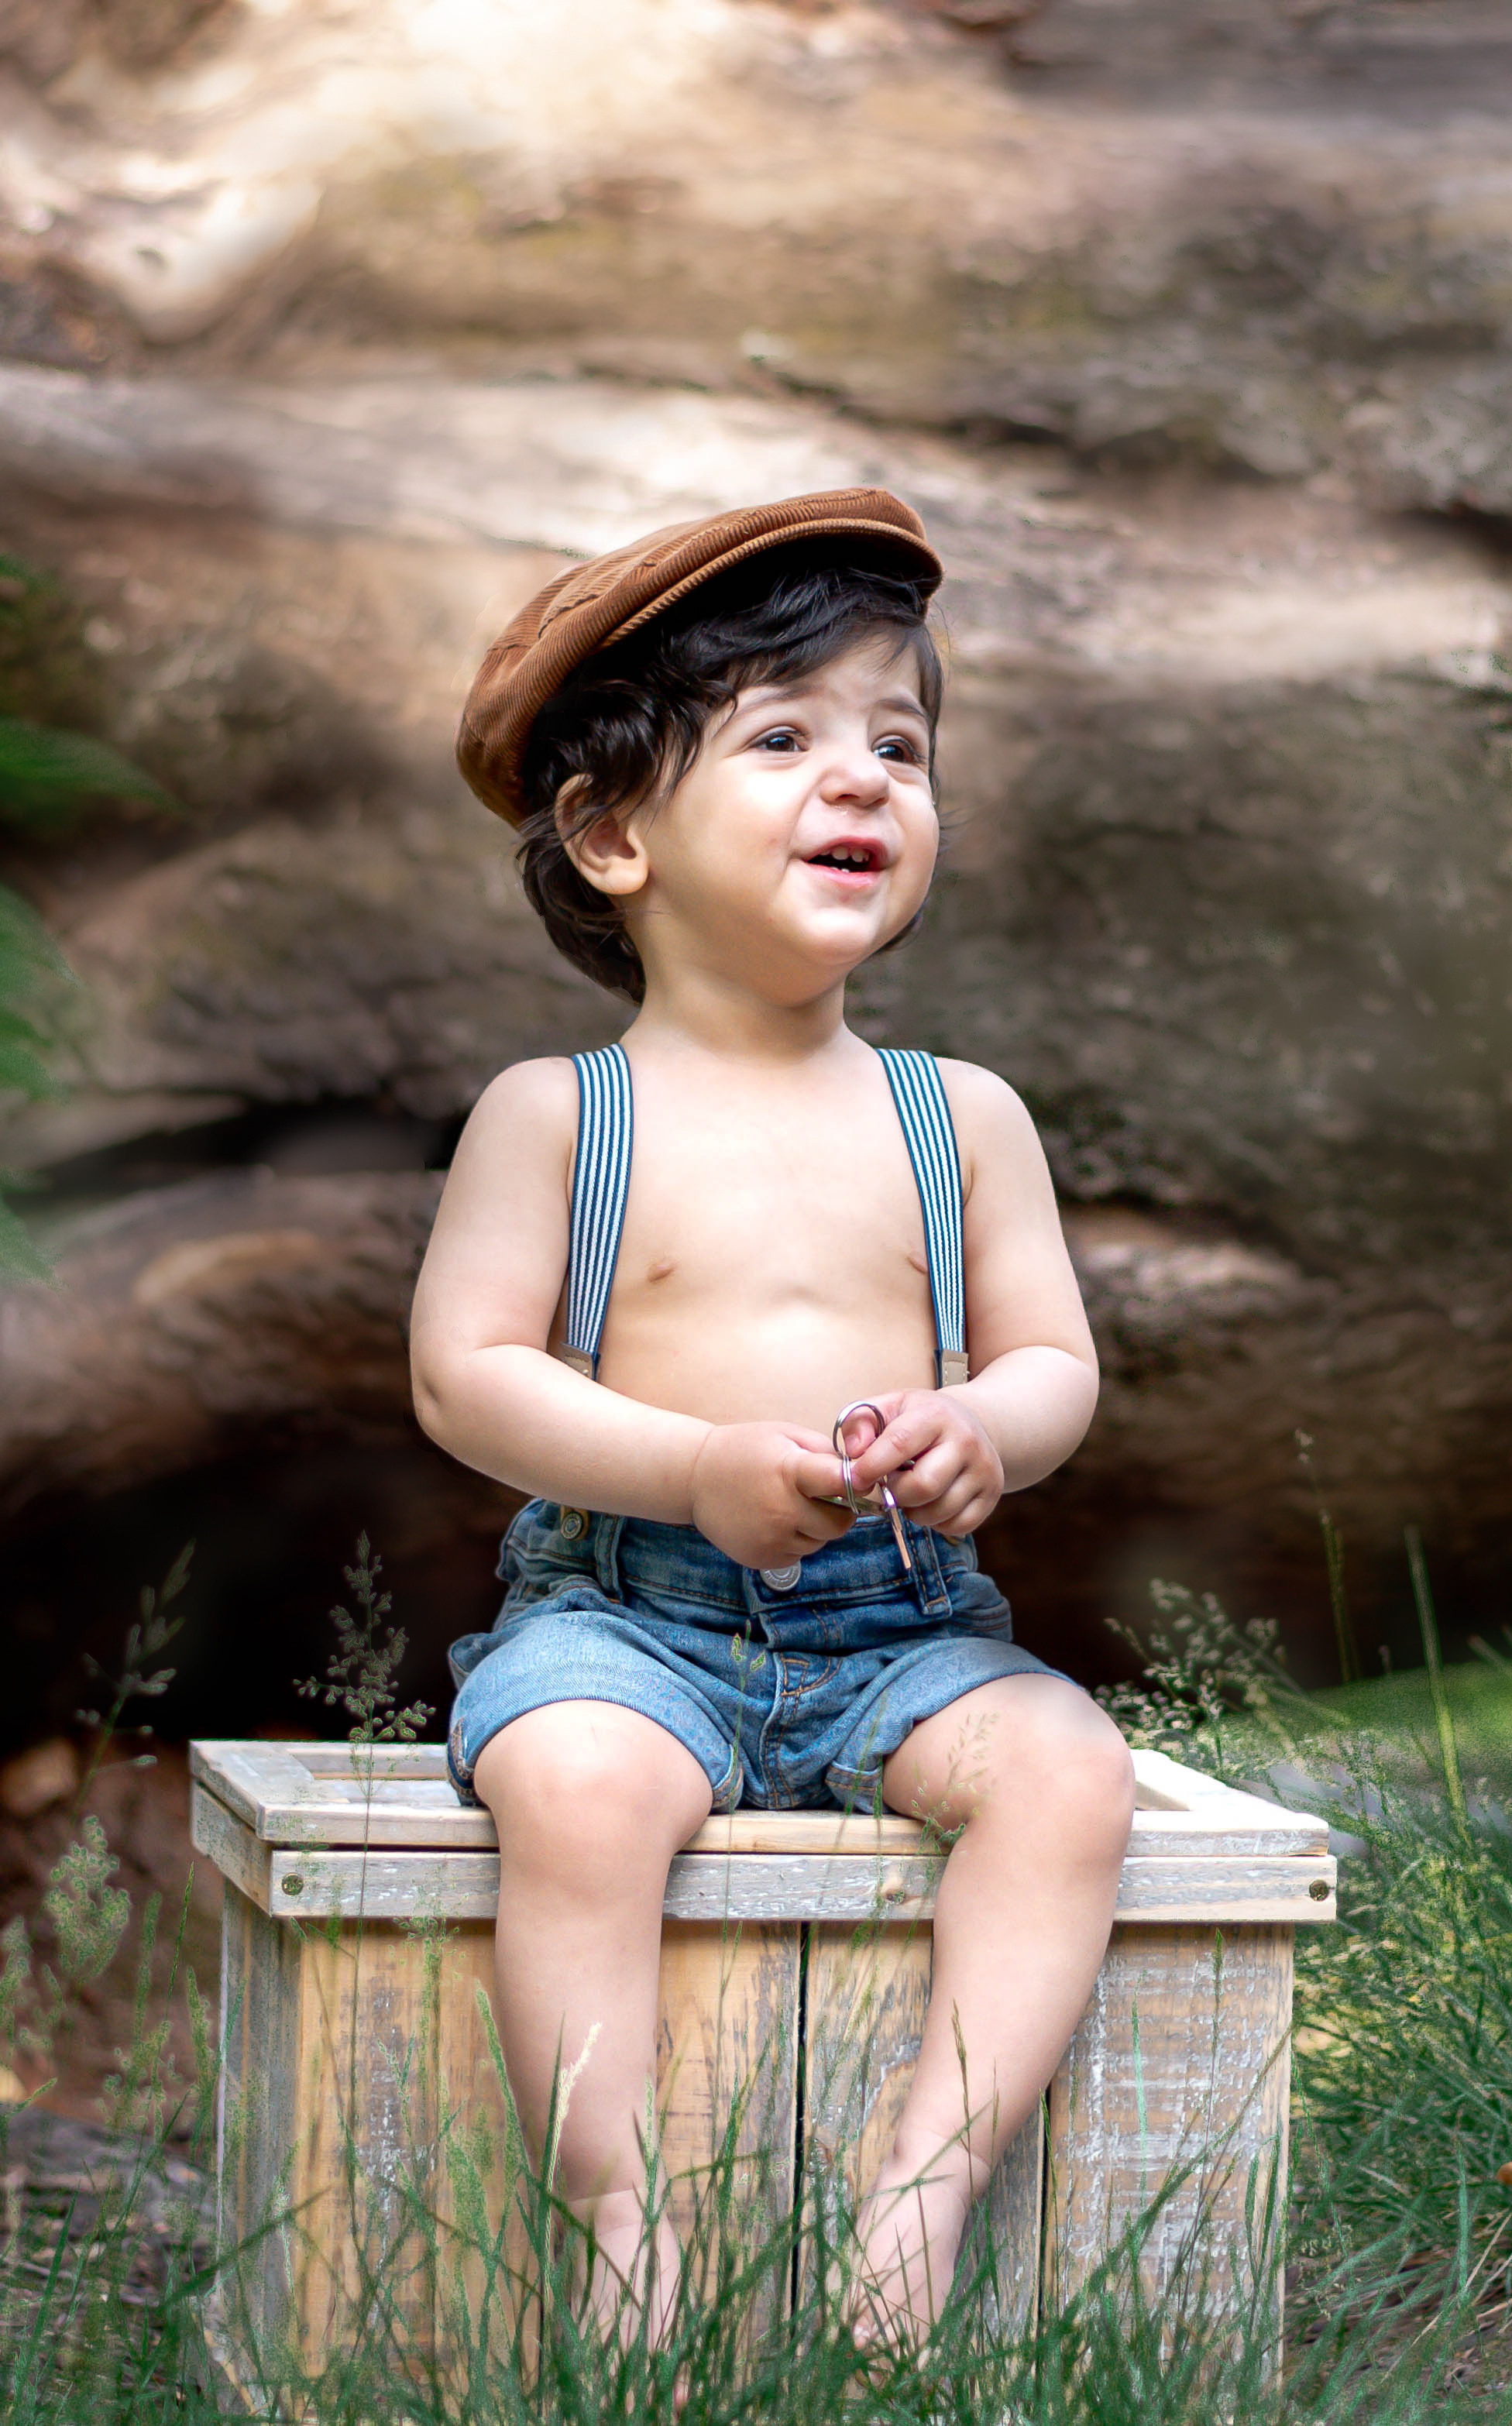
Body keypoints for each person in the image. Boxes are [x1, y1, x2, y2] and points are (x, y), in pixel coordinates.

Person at [409, 487, 1136, 2355]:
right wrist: (693, 1468)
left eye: (900, 743)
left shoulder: (955, 1114)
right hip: (624, 1618)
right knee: (577, 1784)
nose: (867, 780)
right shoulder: (561, 1116)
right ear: (613, 832)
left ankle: (922, 2194)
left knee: (1065, 1775)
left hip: (899, 1623)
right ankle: (623, 2224)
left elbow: (1051, 1359)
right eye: (789, 738)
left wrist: (988, 1427)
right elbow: (467, 1374)